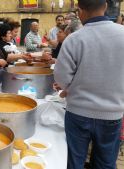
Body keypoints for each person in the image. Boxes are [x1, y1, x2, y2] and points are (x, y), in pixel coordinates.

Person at [54, 0, 124, 168]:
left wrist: (71, 88)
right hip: (112, 112)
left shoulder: (74, 39)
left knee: (75, 161)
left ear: (80, 11)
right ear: (105, 6)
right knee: (105, 163)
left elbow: (61, 77)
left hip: (78, 111)